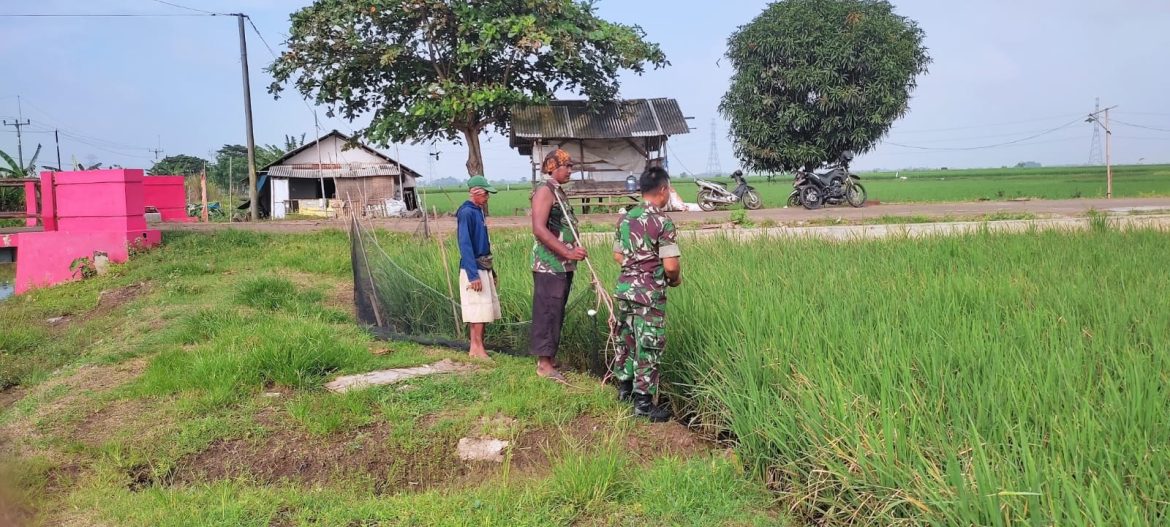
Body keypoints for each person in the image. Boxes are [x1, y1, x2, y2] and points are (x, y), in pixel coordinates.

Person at [611, 166, 682, 422]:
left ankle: (624, 390)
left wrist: (634, 268)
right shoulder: (662, 221)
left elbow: (618, 254)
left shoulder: (625, 218)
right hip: (649, 295)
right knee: (648, 345)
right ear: (663, 190)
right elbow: (671, 265)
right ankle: (643, 404)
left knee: (626, 340)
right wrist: (674, 280)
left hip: (625, 290)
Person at [529, 148, 587, 383]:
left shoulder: (557, 190)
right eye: (567, 166)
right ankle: (543, 365)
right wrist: (567, 252)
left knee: (557, 311)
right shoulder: (545, 191)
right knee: (547, 311)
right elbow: (539, 229)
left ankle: (549, 358)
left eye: (571, 166)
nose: (571, 171)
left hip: (562, 265)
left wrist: (572, 253)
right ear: (553, 167)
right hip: (550, 264)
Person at [456, 175, 501, 360]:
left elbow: (484, 244)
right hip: (473, 267)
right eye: (485, 195)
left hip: (484, 265)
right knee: (477, 309)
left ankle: (477, 347)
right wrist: (472, 275)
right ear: (475, 193)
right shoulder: (466, 212)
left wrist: (492, 272)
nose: (487, 198)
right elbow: (465, 244)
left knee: (483, 309)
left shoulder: (478, 211)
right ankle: (476, 348)